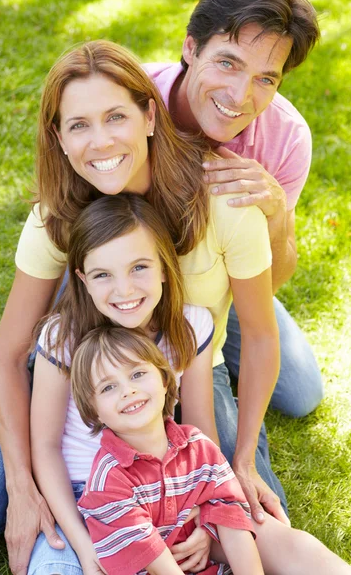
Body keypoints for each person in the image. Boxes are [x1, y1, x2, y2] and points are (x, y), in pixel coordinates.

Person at [0, 33, 296, 573]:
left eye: (115, 117)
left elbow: (258, 336)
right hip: (83, 355)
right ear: (59, 139)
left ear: (148, 116)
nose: (99, 142)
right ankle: (28, 370)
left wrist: (237, 466)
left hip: (190, 360)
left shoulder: (223, 204)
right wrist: (23, 489)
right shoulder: (56, 216)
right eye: (78, 126)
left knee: (257, 514)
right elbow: (9, 349)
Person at [144, 0, 324, 419]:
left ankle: (214, 361)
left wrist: (277, 213)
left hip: (222, 282)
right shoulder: (133, 100)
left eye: (266, 78)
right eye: (227, 63)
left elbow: (273, 278)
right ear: (191, 47)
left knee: (301, 393)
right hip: (122, 273)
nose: (240, 96)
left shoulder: (286, 137)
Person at [29, 193, 219, 574]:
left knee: (264, 535)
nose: (125, 290)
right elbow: (46, 446)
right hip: (81, 496)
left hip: (163, 490)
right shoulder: (61, 337)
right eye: (103, 275)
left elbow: (201, 432)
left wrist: (207, 515)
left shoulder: (191, 326)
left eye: (139, 268)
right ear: (82, 280)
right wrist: (84, 546)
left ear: (165, 267)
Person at [71, 326, 351, 575]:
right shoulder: (107, 481)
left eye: (137, 374)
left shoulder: (199, 447)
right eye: (108, 387)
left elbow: (230, 518)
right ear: (93, 412)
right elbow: (156, 562)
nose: (127, 391)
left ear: (165, 379)